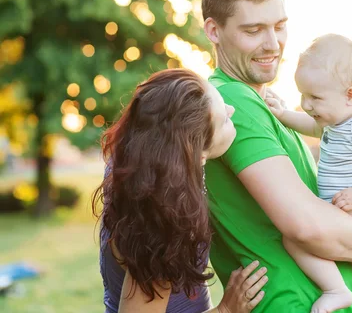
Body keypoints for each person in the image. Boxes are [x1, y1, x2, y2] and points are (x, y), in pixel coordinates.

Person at [202, 0, 352, 312]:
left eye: (279, 25)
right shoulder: (231, 103)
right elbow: (306, 225)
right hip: (289, 303)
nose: (272, 43)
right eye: (253, 30)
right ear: (214, 31)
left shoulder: (273, 108)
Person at [92, 69, 268, 313]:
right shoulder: (159, 221)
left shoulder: (139, 164)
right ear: (197, 153)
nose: (232, 110)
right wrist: (226, 309)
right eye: (224, 120)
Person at [264, 34, 352, 313]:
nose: (306, 105)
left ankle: (335, 289)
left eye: (314, 97)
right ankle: (344, 292)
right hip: (350, 211)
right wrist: (283, 114)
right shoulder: (335, 120)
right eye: (303, 96)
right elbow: (311, 125)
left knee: (295, 237)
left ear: (350, 96)